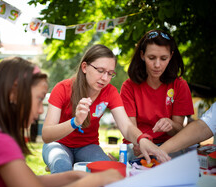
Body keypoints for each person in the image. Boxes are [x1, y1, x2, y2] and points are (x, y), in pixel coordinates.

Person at [0, 57, 124, 187]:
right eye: (38, 100)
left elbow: (32, 181)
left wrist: (73, 176)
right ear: (13, 94)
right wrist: (97, 179)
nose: (39, 111)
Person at [42, 44, 170, 174]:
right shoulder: (62, 89)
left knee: (106, 171)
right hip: (58, 144)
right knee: (62, 165)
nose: (105, 78)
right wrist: (75, 122)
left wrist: (141, 139)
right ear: (85, 67)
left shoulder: (110, 92)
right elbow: (46, 135)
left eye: (110, 73)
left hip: (87, 147)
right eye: (100, 70)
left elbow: (126, 126)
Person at [120, 30, 194, 160]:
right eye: (151, 58)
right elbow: (129, 128)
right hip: (137, 144)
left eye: (163, 58)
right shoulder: (129, 86)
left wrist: (170, 124)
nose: (157, 65)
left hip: (169, 145)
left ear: (171, 56)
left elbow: (179, 130)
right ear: (142, 55)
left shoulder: (180, 85)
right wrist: (140, 141)